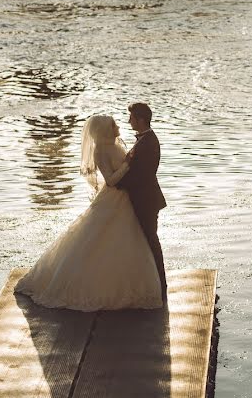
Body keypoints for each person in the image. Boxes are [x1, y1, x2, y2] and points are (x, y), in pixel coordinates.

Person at [14, 114, 163, 311]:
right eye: (113, 124)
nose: (119, 125)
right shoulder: (100, 150)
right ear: (104, 130)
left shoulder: (117, 145)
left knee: (127, 241)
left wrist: (129, 164)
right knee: (99, 239)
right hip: (113, 199)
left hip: (125, 200)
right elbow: (110, 180)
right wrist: (127, 164)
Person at [116, 102, 167, 300]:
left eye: (132, 117)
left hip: (146, 200)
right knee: (145, 241)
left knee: (151, 240)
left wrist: (116, 183)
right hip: (144, 198)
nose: (129, 121)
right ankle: (149, 282)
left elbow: (142, 176)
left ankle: (160, 285)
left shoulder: (148, 143)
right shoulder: (144, 140)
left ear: (141, 119)